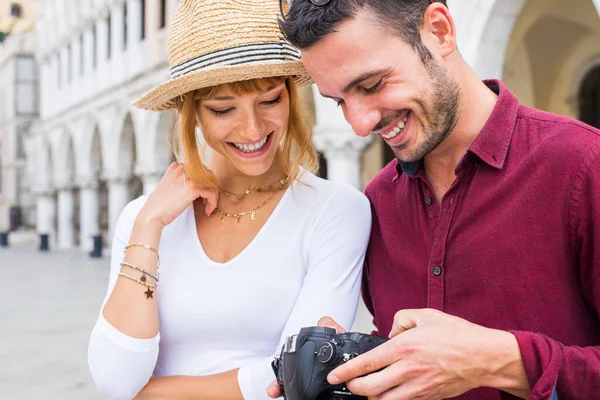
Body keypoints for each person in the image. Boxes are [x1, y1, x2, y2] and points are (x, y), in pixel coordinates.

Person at [271, 0, 600, 399]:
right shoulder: (379, 201)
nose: (359, 124)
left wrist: (498, 360)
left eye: (372, 85)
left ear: (440, 31)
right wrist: (359, 371)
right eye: (340, 101)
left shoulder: (584, 166)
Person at [87, 1, 371, 399]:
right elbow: (114, 379)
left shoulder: (337, 210)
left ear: (292, 96)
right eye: (223, 109)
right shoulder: (143, 217)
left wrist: (150, 395)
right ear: (193, 114)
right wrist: (148, 227)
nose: (252, 128)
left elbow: (300, 377)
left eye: (270, 100)